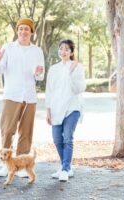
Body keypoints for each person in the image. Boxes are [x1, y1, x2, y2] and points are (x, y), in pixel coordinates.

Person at [0, 18, 45, 178]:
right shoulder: (8, 48)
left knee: (26, 132)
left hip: (29, 96)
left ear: (31, 32)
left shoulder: (37, 51)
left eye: (26, 29)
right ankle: (5, 164)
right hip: (11, 95)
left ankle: (21, 165)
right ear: (17, 31)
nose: (23, 32)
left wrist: (38, 73)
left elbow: (41, 76)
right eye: (21, 29)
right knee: (7, 130)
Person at [45, 39, 86, 182]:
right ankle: (66, 167)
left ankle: (64, 169)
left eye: (67, 49)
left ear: (71, 52)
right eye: (61, 48)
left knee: (68, 138)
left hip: (72, 107)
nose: (63, 51)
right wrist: (48, 109)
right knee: (57, 140)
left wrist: (71, 73)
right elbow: (49, 91)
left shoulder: (78, 67)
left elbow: (79, 89)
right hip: (56, 108)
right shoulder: (53, 69)